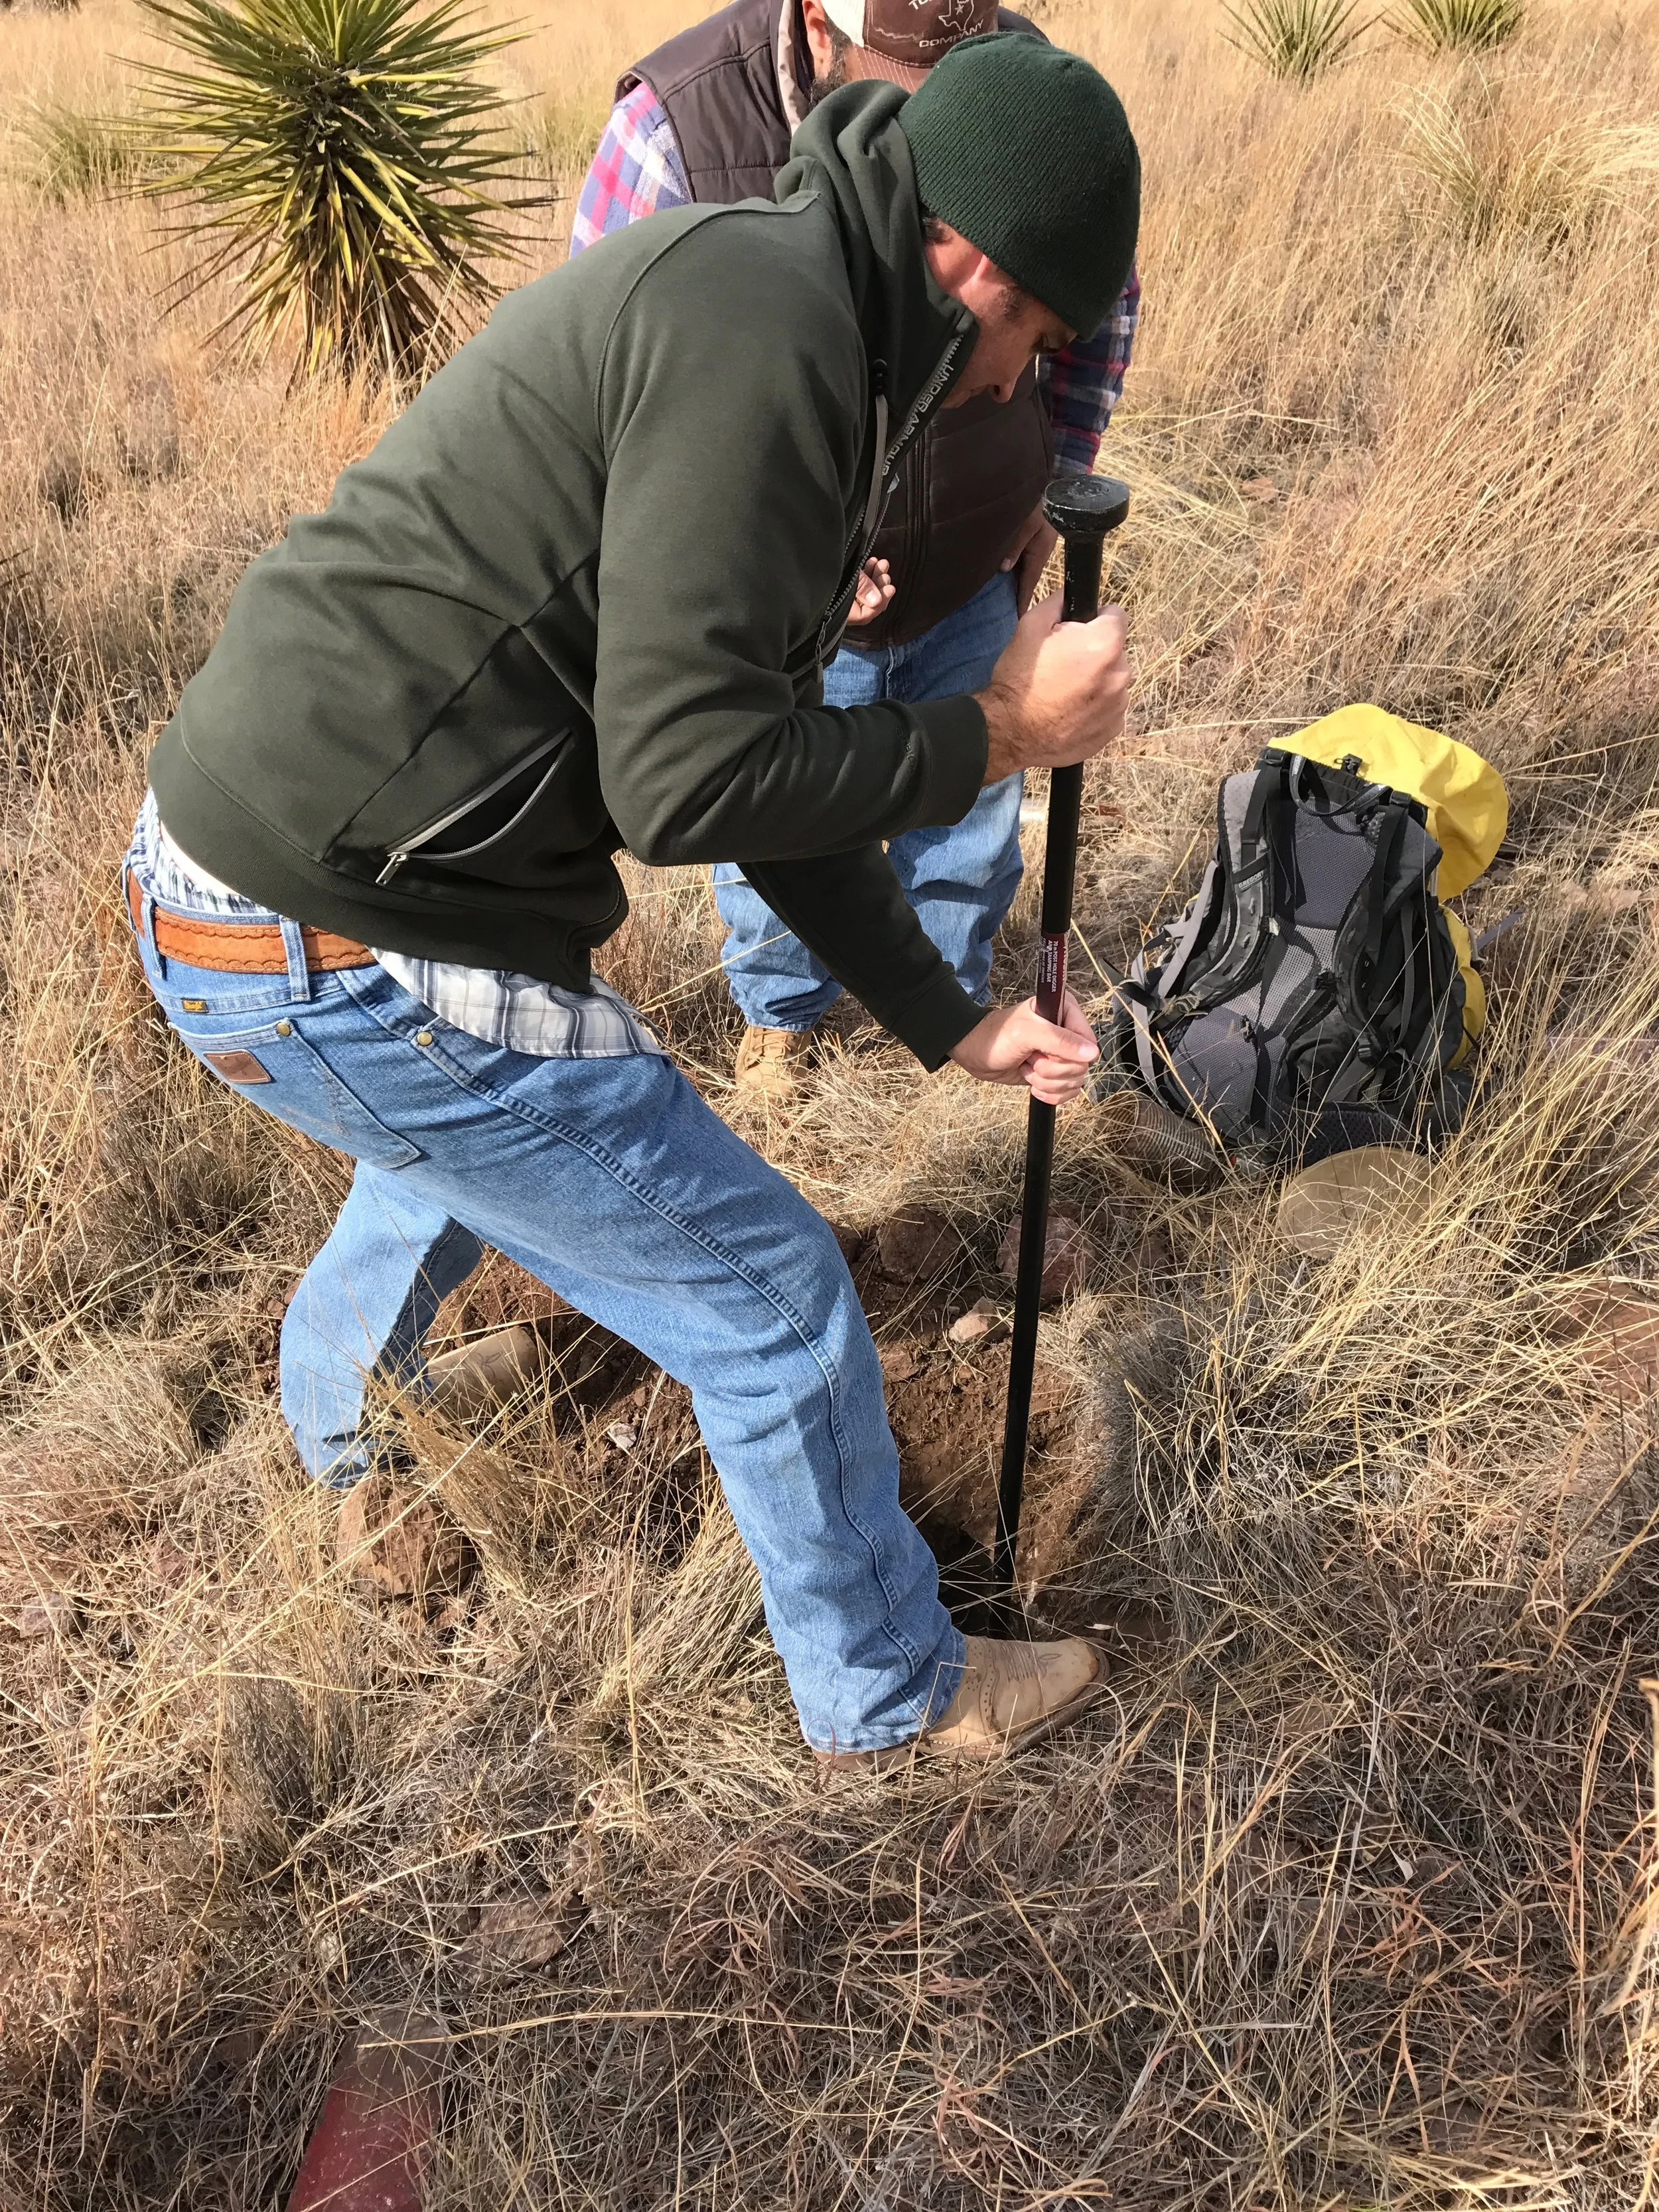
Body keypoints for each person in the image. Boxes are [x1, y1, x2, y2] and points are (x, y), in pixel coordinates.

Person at [126, 40, 1139, 1766]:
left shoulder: (780, 289)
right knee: (764, 1293)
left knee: (465, 1113)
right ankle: (894, 1689)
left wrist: (946, 1017)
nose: (1020, 387)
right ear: (976, 268)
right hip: (337, 936)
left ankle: (340, 1437)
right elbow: (688, 786)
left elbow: (760, 773)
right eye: (1037, 344)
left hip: (251, 888)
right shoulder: (778, 350)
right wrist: (990, 731)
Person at [573, 0, 1139, 1100]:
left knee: (970, 824)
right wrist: (810, 562)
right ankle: (782, 1018)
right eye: (900, 94)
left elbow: (1094, 309)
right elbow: (700, 786)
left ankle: (943, 1011)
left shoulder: (1032, 107)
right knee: (782, 795)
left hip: (968, 559)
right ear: (819, 28)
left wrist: (1040, 502)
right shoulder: (680, 128)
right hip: (767, 571)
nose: (926, 161)